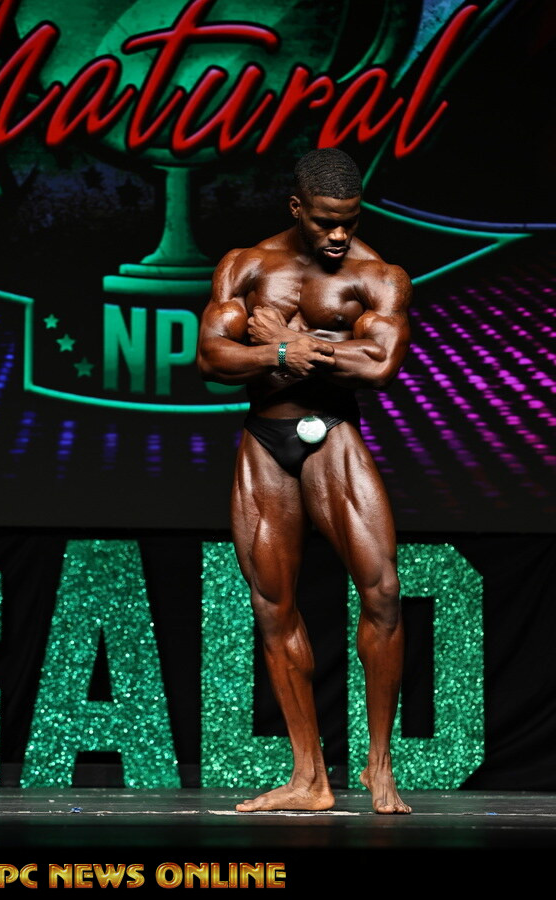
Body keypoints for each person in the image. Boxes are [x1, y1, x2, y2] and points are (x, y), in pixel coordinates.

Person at [197, 148, 412, 814]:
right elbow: (211, 358)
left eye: (350, 220)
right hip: (265, 443)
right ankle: (309, 778)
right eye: (325, 222)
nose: (339, 234)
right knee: (273, 607)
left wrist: (292, 348)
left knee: (382, 590)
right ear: (297, 208)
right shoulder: (246, 265)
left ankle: (379, 767)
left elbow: (380, 367)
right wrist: (282, 349)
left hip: (333, 437)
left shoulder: (376, 276)